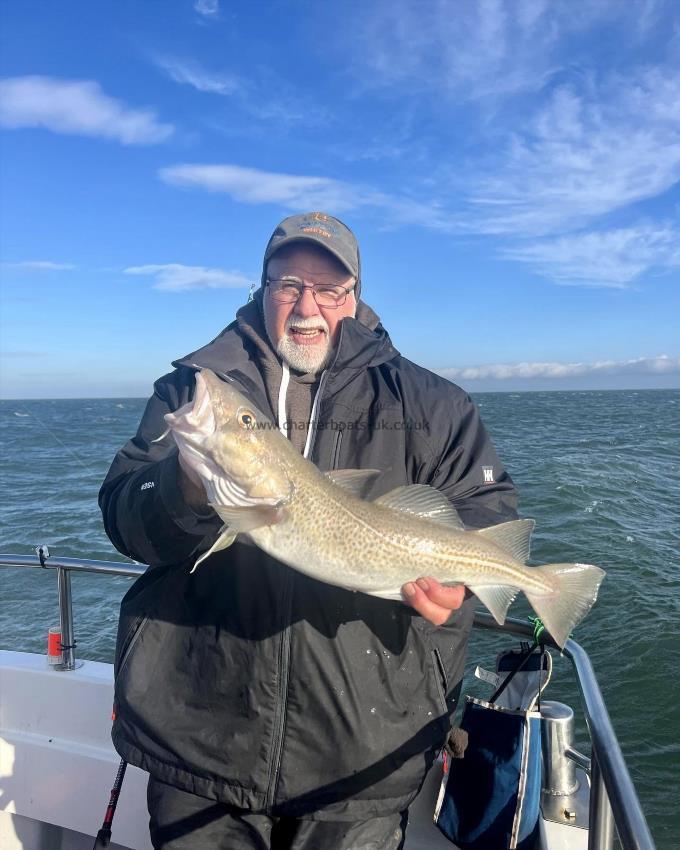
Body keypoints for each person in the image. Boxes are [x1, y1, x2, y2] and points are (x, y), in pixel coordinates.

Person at [99, 212, 518, 850]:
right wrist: (186, 489)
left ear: (355, 296)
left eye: (328, 289)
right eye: (289, 284)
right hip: (201, 736)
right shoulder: (195, 386)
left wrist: (464, 583)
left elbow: (487, 506)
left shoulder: (434, 404)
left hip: (360, 750)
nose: (307, 305)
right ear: (263, 289)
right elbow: (125, 519)